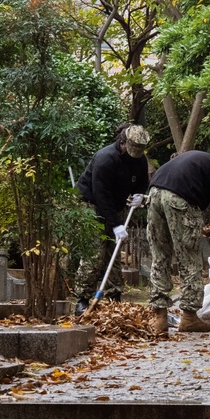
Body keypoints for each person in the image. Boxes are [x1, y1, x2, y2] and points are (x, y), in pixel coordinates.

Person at [146, 150, 210, 334]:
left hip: (154, 194)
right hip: (179, 199)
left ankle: (159, 318)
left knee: (160, 256)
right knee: (189, 258)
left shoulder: (205, 161)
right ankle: (189, 318)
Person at [74, 124, 151, 314]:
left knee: (114, 254)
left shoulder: (140, 160)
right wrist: (116, 225)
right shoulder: (105, 159)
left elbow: (142, 183)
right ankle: (83, 298)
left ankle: (113, 296)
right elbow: (101, 195)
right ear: (122, 142)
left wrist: (139, 195)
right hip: (91, 207)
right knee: (94, 254)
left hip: (116, 206)